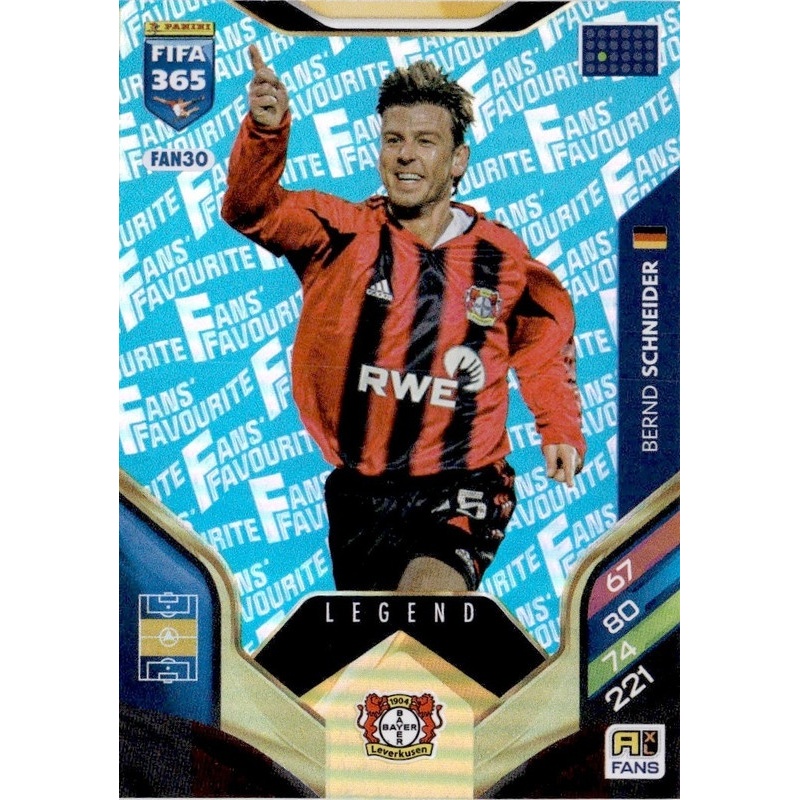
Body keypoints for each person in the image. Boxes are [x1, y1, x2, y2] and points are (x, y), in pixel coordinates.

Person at [221, 46, 586, 592]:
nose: (405, 156)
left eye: (425, 141)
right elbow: (250, 209)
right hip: (361, 492)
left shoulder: (500, 256)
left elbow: (541, 339)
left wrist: (558, 426)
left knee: (424, 603)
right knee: (379, 638)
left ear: (458, 161)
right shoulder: (339, 232)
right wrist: (266, 132)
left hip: (465, 481)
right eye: (393, 140)